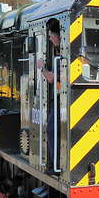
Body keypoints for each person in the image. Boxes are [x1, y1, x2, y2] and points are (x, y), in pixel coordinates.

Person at [37, 27, 60, 173]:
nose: (50, 39)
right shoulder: (60, 54)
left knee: (51, 129)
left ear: (57, 37)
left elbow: (51, 79)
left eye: (51, 36)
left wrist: (41, 68)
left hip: (60, 100)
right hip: (59, 98)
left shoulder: (63, 56)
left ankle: (56, 164)